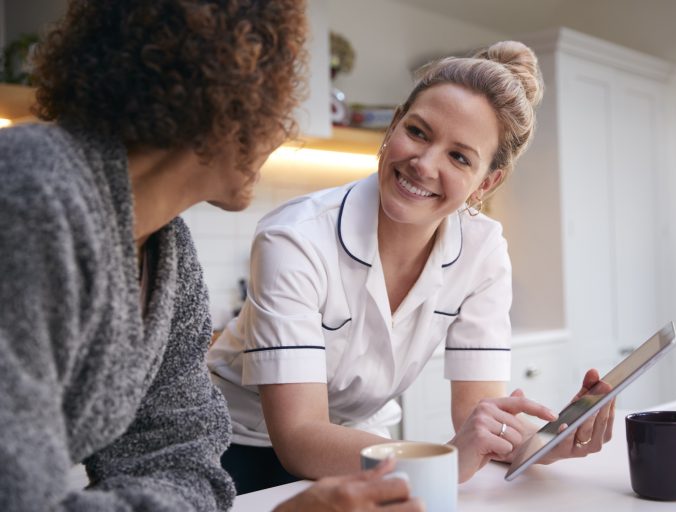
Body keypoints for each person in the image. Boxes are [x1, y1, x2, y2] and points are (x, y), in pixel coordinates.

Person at [0, 1, 421, 511]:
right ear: (227, 100)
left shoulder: (168, 254)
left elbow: (187, 461)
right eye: (275, 100)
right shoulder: (28, 194)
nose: (279, 132)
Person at [207, 39, 616, 494]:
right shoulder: (296, 237)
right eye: (418, 132)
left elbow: (476, 417)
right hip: (236, 449)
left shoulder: (483, 251)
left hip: (364, 444)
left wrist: (546, 442)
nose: (423, 164)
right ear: (395, 123)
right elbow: (300, 438)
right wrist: (444, 460)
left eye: (459, 157)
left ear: (488, 181)